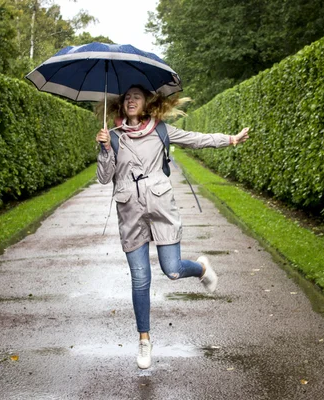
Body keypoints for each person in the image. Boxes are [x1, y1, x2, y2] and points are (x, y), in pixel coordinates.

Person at [95, 85, 249, 369]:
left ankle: (201, 268)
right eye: (127, 97)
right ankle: (144, 340)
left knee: (173, 270)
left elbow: (196, 139)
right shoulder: (112, 137)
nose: (131, 101)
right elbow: (105, 178)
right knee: (140, 279)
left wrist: (230, 139)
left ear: (146, 103)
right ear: (120, 104)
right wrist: (105, 149)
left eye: (136, 97)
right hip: (130, 213)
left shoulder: (161, 130)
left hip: (161, 209)